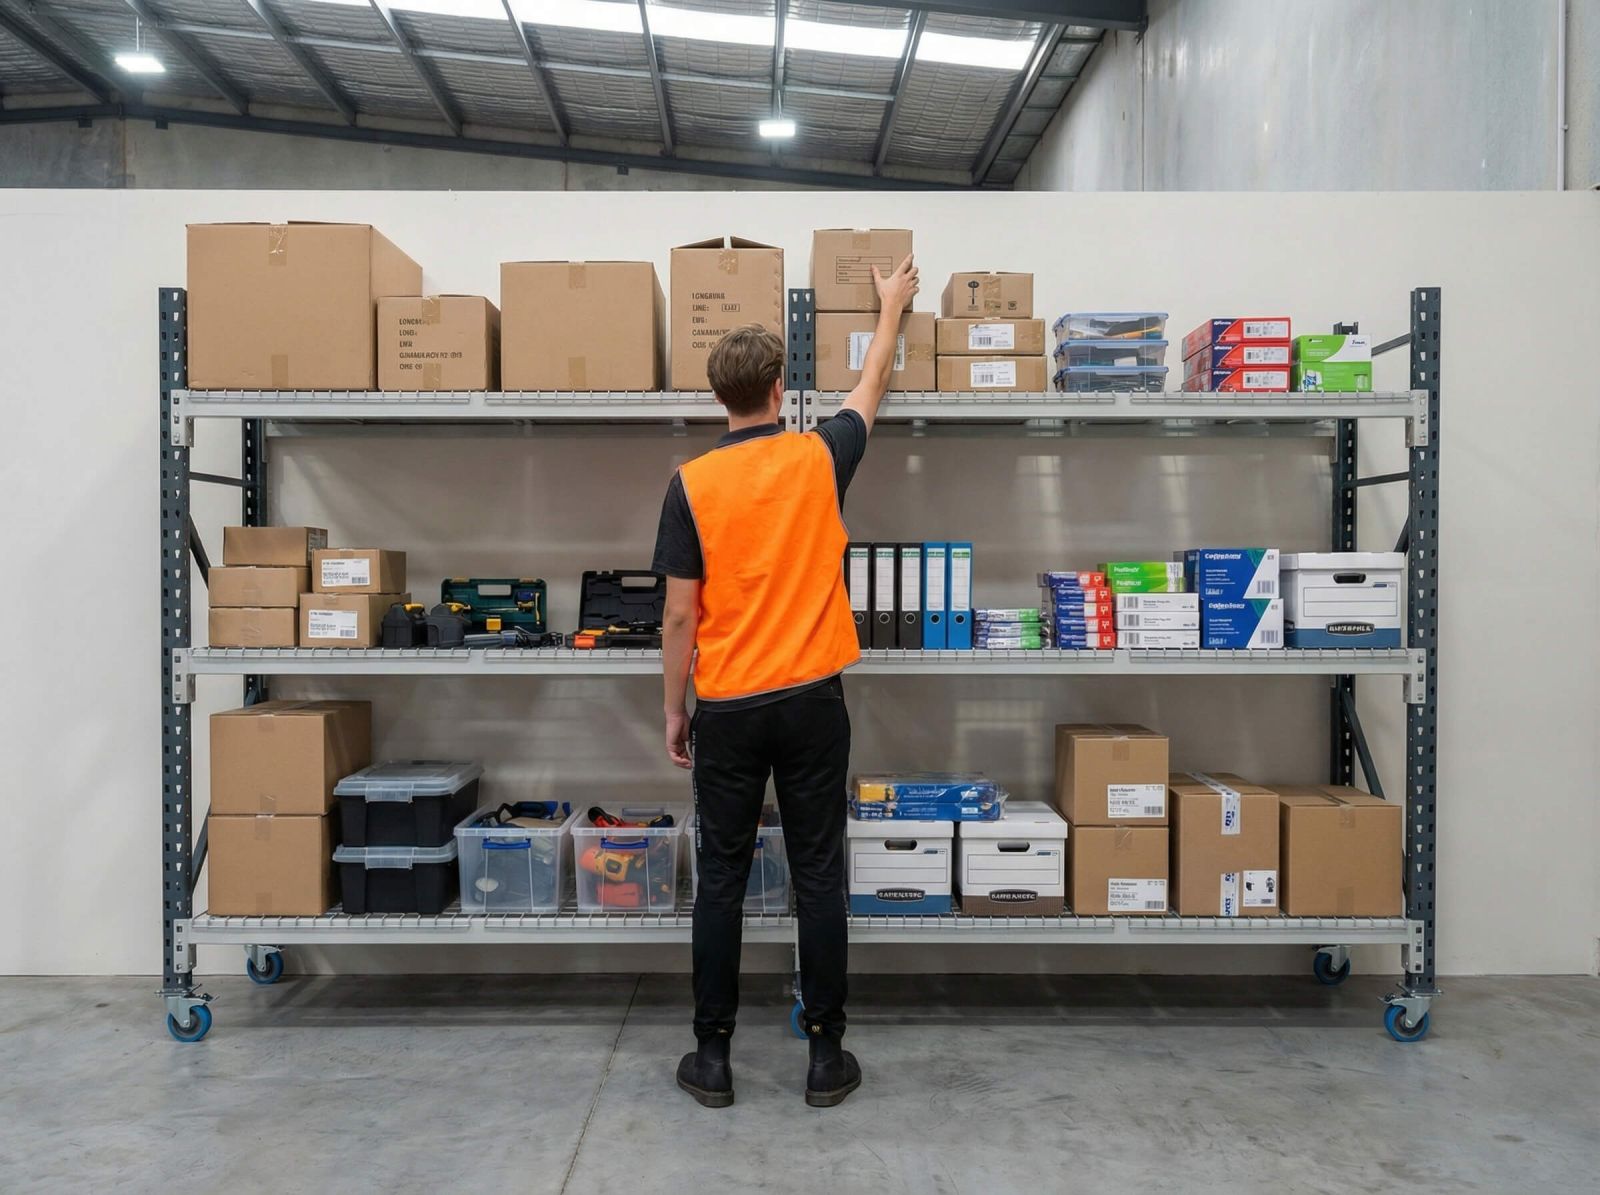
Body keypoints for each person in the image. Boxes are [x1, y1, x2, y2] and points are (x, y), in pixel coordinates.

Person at [651, 255, 920, 1109]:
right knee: (817, 875)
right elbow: (871, 382)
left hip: (726, 706)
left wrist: (674, 709)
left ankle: (713, 1057)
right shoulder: (818, 457)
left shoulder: (690, 485)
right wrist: (890, 306)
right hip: (812, 703)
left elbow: (678, 619)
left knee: (722, 878)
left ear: (719, 396)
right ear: (777, 388)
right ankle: (825, 1053)